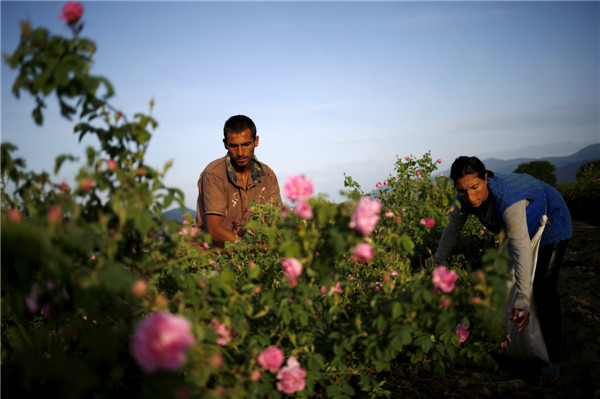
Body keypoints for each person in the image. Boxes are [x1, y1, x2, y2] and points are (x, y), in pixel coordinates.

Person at [430, 156, 571, 386]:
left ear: (486, 178)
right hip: (519, 229)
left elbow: (521, 247)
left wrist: (523, 299)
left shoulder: (508, 199)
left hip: (551, 218)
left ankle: (552, 358)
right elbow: (452, 228)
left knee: (543, 288)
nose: (470, 196)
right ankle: (516, 344)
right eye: (462, 190)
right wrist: (435, 261)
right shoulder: (464, 198)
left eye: (475, 187)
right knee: (507, 283)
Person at [196, 115, 282, 246]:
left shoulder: (267, 176)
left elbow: (277, 220)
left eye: (246, 144)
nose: (240, 152)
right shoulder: (214, 174)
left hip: (252, 257)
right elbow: (213, 229)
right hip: (214, 256)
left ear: (256, 141)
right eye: (234, 146)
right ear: (225, 144)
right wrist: (248, 247)